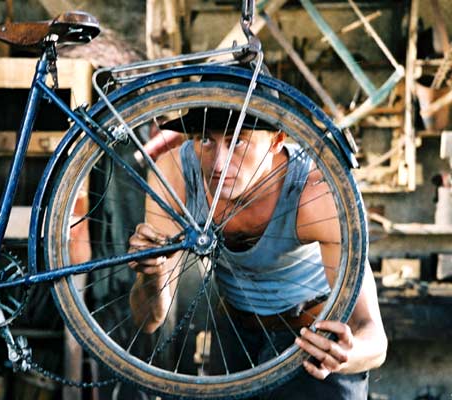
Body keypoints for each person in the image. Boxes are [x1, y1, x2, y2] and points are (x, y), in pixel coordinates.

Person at [127, 104, 387, 398]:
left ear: (276, 140)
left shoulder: (318, 190)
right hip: (235, 335)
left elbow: (375, 339)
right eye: (206, 139)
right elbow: (148, 320)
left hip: (311, 340)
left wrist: (346, 355)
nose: (219, 164)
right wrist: (153, 273)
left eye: (237, 141)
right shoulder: (175, 174)